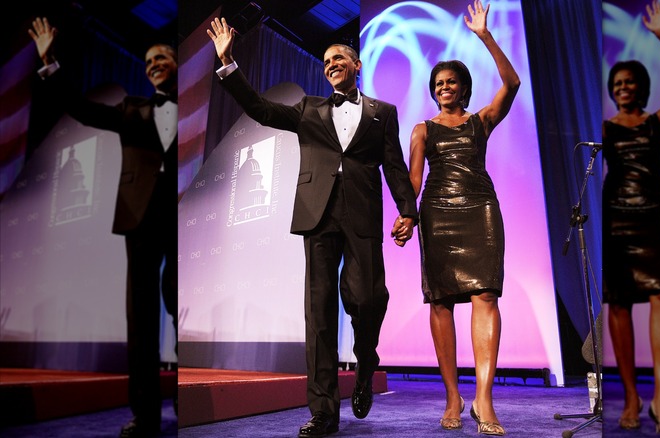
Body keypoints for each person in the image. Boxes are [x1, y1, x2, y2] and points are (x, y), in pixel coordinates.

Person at [207, 16, 418, 438]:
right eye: (325, 60)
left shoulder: (383, 113)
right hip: (316, 214)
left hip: (362, 216)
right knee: (318, 315)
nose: (331, 63)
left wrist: (407, 211)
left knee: (368, 297)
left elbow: (395, 167)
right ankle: (323, 412)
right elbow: (262, 110)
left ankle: (365, 362)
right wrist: (228, 63)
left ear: (356, 65)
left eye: (339, 57)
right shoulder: (309, 109)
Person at [28, 17, 178, 438]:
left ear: (177, 63)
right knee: (142, 315)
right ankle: (145, 414)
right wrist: (50, 61)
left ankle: (185, 391)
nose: (154, 63)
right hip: (141, 216)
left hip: (180, 214)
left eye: (162, 56)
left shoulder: (193, 104)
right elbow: (80, 108)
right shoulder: (132, 109)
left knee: (176, 296)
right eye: (149, 60)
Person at [400, 0, 519, 435]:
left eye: (451, 82)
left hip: (480, 209)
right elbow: (414, 181)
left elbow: (512, 82)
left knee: (486, 295)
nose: (444, 87)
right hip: (436, 214)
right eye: (439, 83)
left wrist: (484, 36)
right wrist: (406, 217)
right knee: (441, 302)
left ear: (462, 88)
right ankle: (453, 396)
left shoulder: (482, 121)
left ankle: (484, 399)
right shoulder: (422, 129)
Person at [603, 1, 660, 435]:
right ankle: (630, 397)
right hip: (615, 219)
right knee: (619, 305)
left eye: (630, 82)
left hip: (657, 215)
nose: (623, 87)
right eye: (618, 83)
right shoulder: (603, 127)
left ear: (641, 88)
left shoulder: (659, 120)